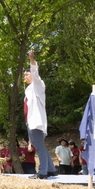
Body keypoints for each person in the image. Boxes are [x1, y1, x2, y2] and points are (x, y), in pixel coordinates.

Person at [24, 50, 57, 179]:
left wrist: (31, 59)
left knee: (39, 147)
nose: (25, 77)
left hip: (36, 122)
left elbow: (35, 72)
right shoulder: (29, 89)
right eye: (24, 75)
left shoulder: (38, 85)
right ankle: (51, 170)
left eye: (27, 74)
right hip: (30, 121)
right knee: (41, 146)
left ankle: (42, 172)